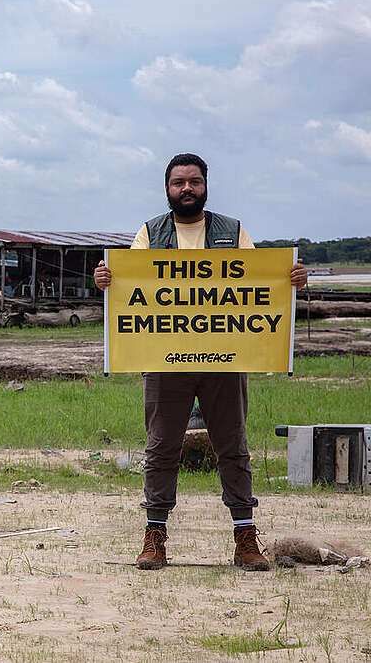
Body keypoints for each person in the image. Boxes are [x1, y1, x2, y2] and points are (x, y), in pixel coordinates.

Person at [93, 153, 307, 571]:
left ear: (206, 185)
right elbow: (128, 281)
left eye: (193, 181)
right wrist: (106, 280)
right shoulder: (149, 233)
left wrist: (292, 279)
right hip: (164, 358)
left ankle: (246, 537)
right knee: (160, 447)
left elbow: (259, 278)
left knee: (233, 445)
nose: (186, 189)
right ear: (167, 188)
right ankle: (155, 535)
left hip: (224, 359)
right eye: (178, 183)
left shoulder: (233, 230)